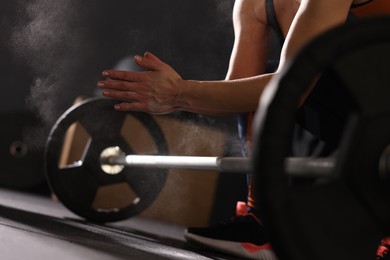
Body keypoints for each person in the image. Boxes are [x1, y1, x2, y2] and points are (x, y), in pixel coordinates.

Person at [97, 0, 374, 259]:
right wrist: (173, 96)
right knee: (258, 84)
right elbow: (237, 92)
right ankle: (262, 222)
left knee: (287, 81)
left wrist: (180, 93)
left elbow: (295, 90)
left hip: (375, 117)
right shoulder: (252, 4)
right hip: (346, 125)